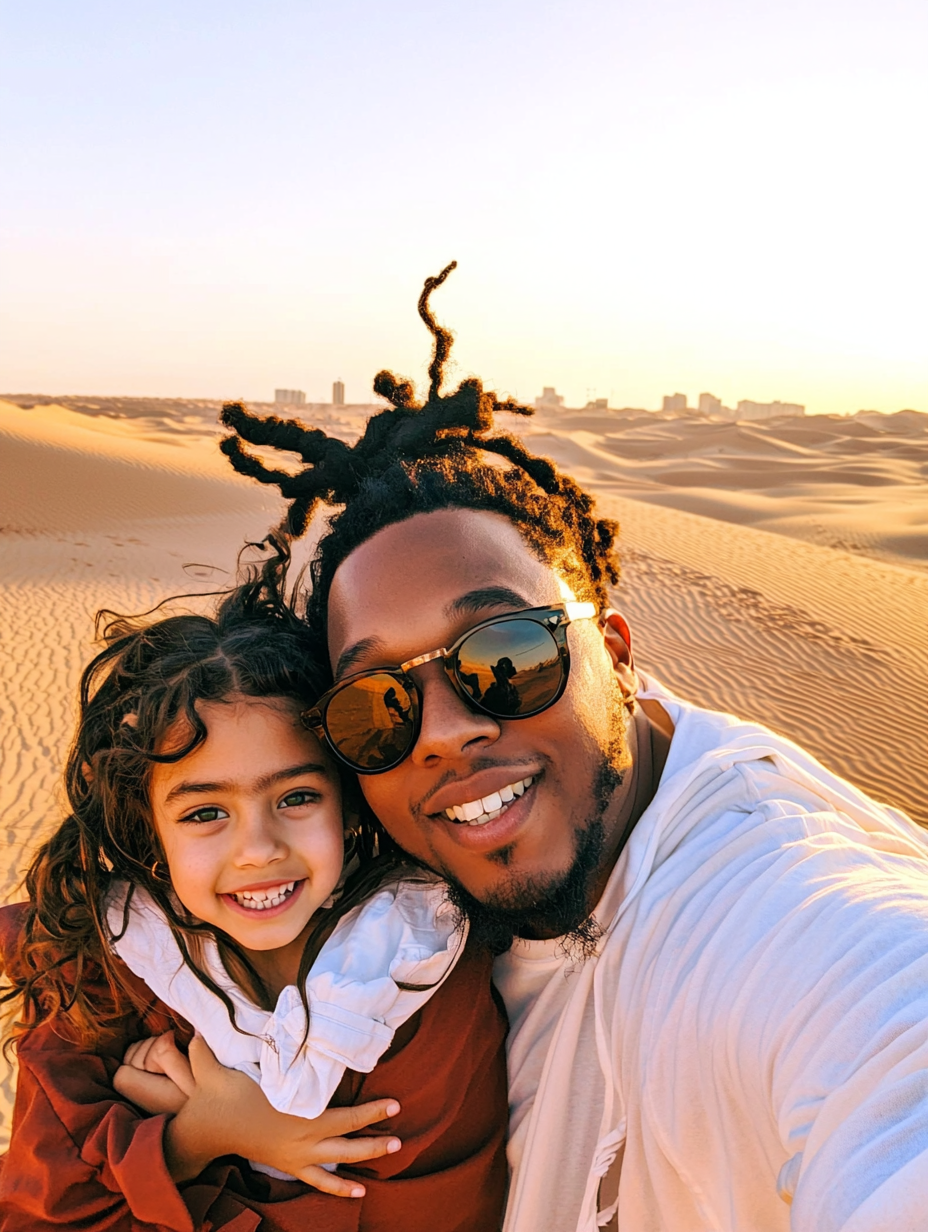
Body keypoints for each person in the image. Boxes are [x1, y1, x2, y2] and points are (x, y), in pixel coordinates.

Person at [219, 261, 928, 1231]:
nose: (447, 730)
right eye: (377, 707)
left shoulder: (772, 916)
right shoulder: (367, 904)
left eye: (505, 655)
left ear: (619, 655)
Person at [0, 540, 508, 1232]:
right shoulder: (96, 963)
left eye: (296, 798)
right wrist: (198, 1138)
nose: (258, 851)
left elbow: (437, 1206)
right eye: (206, 813)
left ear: (348, 801)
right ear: (148, 830)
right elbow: (42, 1206)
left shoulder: (417, 972)